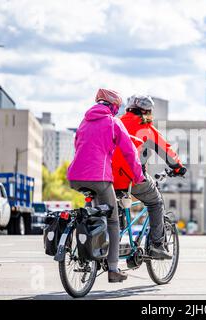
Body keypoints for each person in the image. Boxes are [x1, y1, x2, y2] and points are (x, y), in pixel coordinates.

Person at [67, 89, 145, 283]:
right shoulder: (113, 122)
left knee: (92, 213)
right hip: (99, 178)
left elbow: (78, 145)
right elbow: (129, 153)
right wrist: (138, 177)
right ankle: (112, 269)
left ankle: (90, 252)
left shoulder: (84, 122)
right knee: (112, 220)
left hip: (75, 176)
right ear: (113, 106)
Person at [112, 94, 186, 259]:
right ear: (146, 111)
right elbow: (167, 152)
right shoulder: (146, 128)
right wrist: (178, 167)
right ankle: (156, 245)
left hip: (106, 178)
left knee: (114, 207)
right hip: (131, 178)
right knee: (155, 202)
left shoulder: (115, 123)